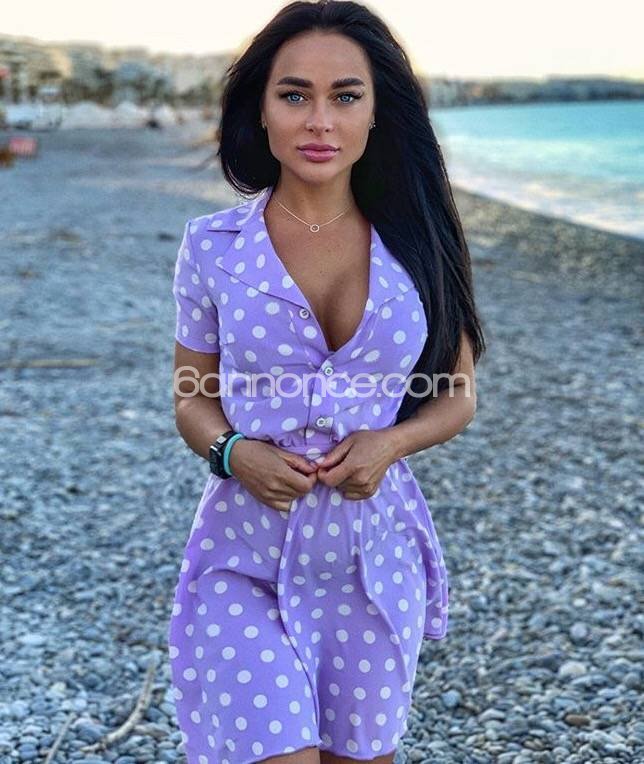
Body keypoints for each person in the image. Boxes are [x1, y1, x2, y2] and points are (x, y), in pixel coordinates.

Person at [167, 2, 486, 762]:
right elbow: (191, 394)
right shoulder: (212, 247)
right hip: (244, 556)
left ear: (376, 112)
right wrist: (232, 451)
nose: (320, 120)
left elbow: (458, 392)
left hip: (370, 561)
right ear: (262, 110)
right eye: (294, 94)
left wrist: (390, 443)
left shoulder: (422, 242)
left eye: (345, 96)